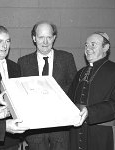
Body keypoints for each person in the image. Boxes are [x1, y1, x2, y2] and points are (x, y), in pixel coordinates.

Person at [68, 31, 115, 150]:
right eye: (86, 45)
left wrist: (90, 112)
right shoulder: (80, 73)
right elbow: (69, 101)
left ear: (105, 47)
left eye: (93, 44)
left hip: (104, 133)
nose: (88, 48)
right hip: (78, 131)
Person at [18, 21, 77, 150]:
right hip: (35, 125)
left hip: (61, 123)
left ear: (54, 38)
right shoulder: (23, 62)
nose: (45, 42)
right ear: (34, 38)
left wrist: (55, 95)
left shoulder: (66, 58)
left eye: (49, 37)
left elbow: (73, 85)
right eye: (40, 37)